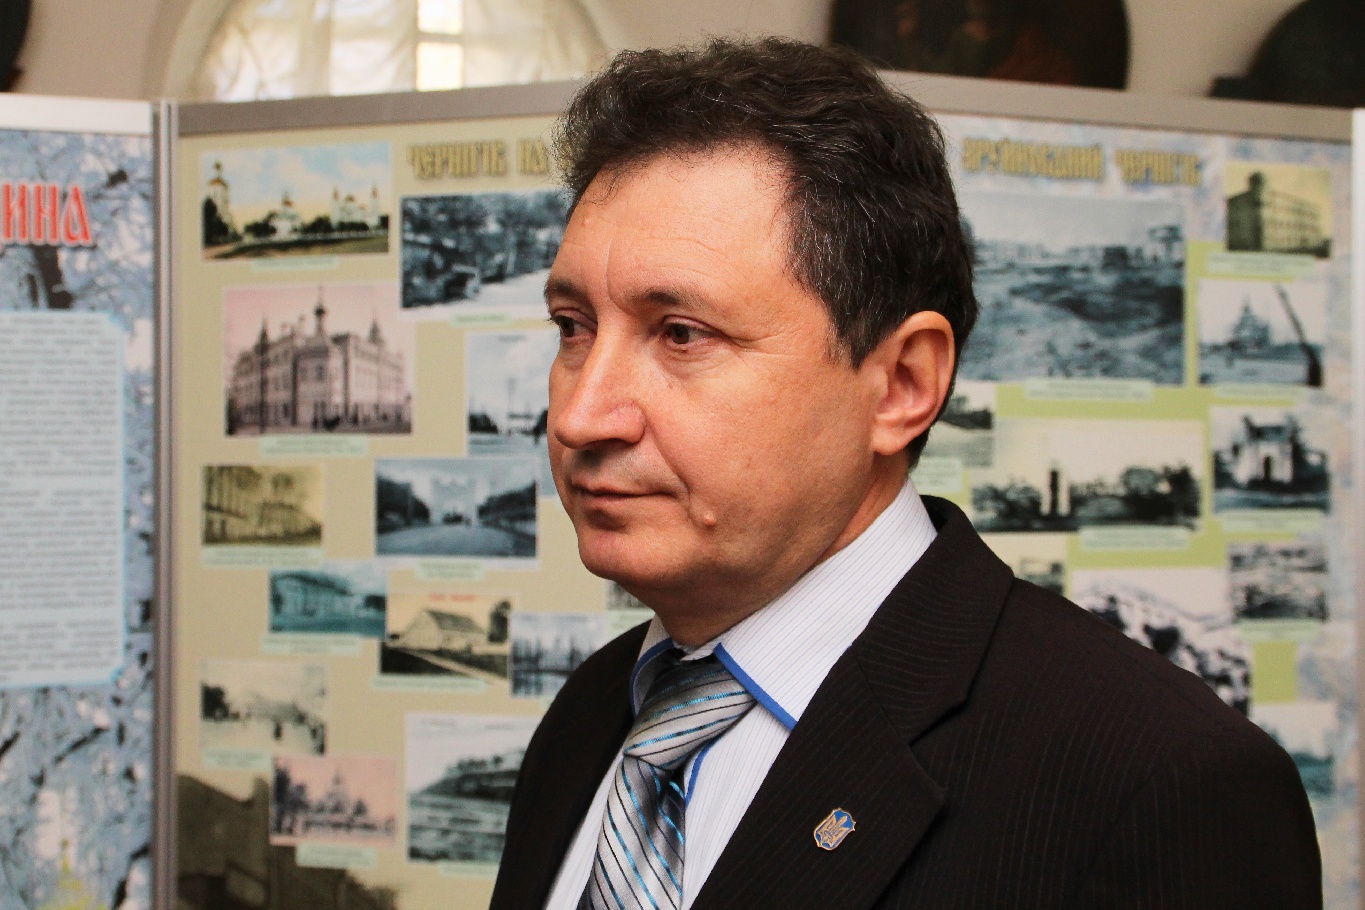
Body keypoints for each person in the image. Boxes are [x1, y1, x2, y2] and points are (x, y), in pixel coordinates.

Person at [489, 38, 1321, 910]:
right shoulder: (594, 715)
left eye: (682, 335)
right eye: (573, 327)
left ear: (902, 385)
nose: (580, 416)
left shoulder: (1155, 782)